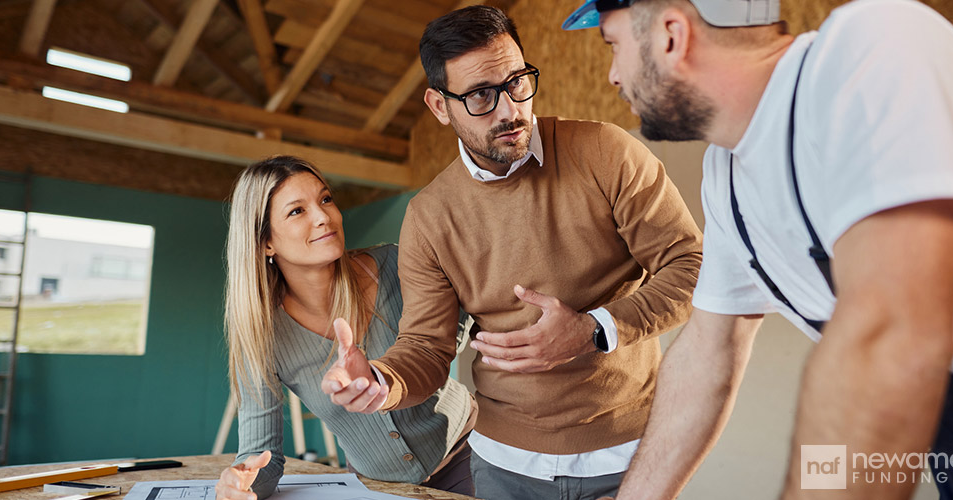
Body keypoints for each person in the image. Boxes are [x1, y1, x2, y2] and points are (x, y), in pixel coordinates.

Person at [562, 0, 953, 498]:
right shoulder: (727, 176)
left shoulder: (873, 47)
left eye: (613, 46)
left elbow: (887, 339)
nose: (613, 76)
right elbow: (709, 355)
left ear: (671, 35)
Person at [320, 6, 703, 500]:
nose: (510, 110)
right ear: (440, 106)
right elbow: (426, 348)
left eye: (517, 82)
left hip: (628, 454)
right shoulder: (430, 216)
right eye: (481, 95)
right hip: (503, 465)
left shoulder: (609, 153)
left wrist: (594, 329)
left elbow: (691, 266)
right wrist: (380, 380)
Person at [215, 156, 477, 500]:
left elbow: (462, 321)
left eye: (325, 199)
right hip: (377, 488)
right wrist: (241, 483)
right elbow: (261, 457)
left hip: (471, 454)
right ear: (266, 242)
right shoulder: (261, 334)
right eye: (297, 211)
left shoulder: (396, 265)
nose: (324, 217)